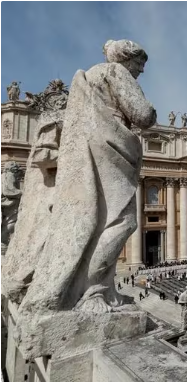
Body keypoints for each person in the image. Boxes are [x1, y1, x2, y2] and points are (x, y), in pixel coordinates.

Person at [15, 39, 157, 315]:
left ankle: (87, 288)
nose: (141, 70)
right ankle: (95, 291)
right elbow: (143, 115)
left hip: (91, 150)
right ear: (127, 58)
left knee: (95, 220)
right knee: (122, 221)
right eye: (140, 64)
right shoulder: (115, 73)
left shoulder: (88, 76)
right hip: (111, 150)